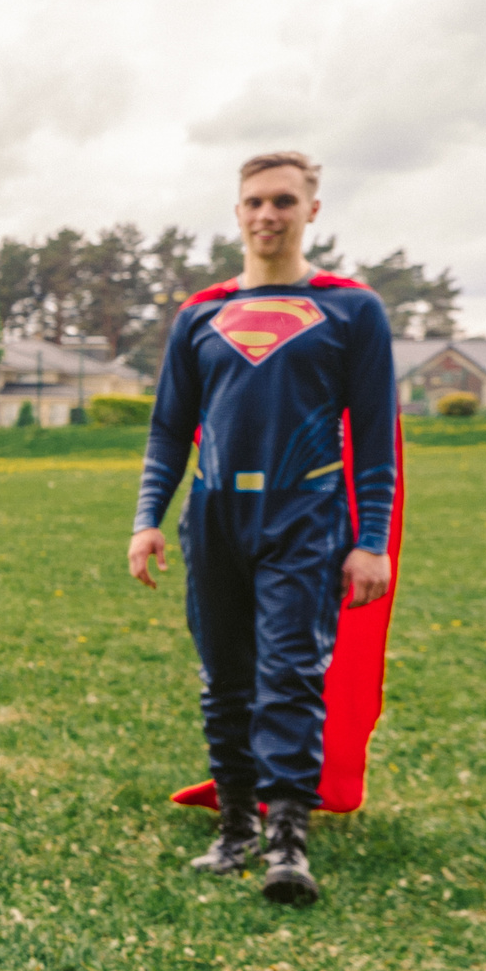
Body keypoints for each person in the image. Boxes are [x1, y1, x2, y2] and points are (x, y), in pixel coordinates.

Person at [129, 150, 395, 905]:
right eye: (253, 202)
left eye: (283, 200)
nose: (266, 215)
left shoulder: (351, 311)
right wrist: (147, 520)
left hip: (306, 512)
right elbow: (168, 430)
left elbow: (374, 437)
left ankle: (287, 842)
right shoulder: (199, 316)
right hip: (214, 512)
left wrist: (369, 539)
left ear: (312, 210)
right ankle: (236, 827)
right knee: (224, 678)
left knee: (289, 674)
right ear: (237, 211)